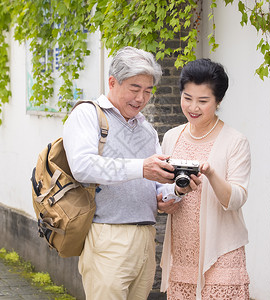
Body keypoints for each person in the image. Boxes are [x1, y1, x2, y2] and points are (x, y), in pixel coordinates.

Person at [62, 46, 197, 300]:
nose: (141, 98)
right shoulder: (88, 114)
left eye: (147, 91)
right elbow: (82, 167)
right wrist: (141, 167)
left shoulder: (147, 129)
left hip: (146, 237)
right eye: (135, 89)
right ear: (112, 82)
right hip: (107, 235)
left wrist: (178, 189)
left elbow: (157, 192)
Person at [157, 58, 251, 299]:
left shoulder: (235, 141)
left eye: (203, 101)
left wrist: (210, 173)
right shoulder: (171, 137)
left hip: (221, 253)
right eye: (187, 98)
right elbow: (161, 191)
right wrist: (168, 199)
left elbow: (236, 199)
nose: (193, 107)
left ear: (218, 101)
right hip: (182, 253)